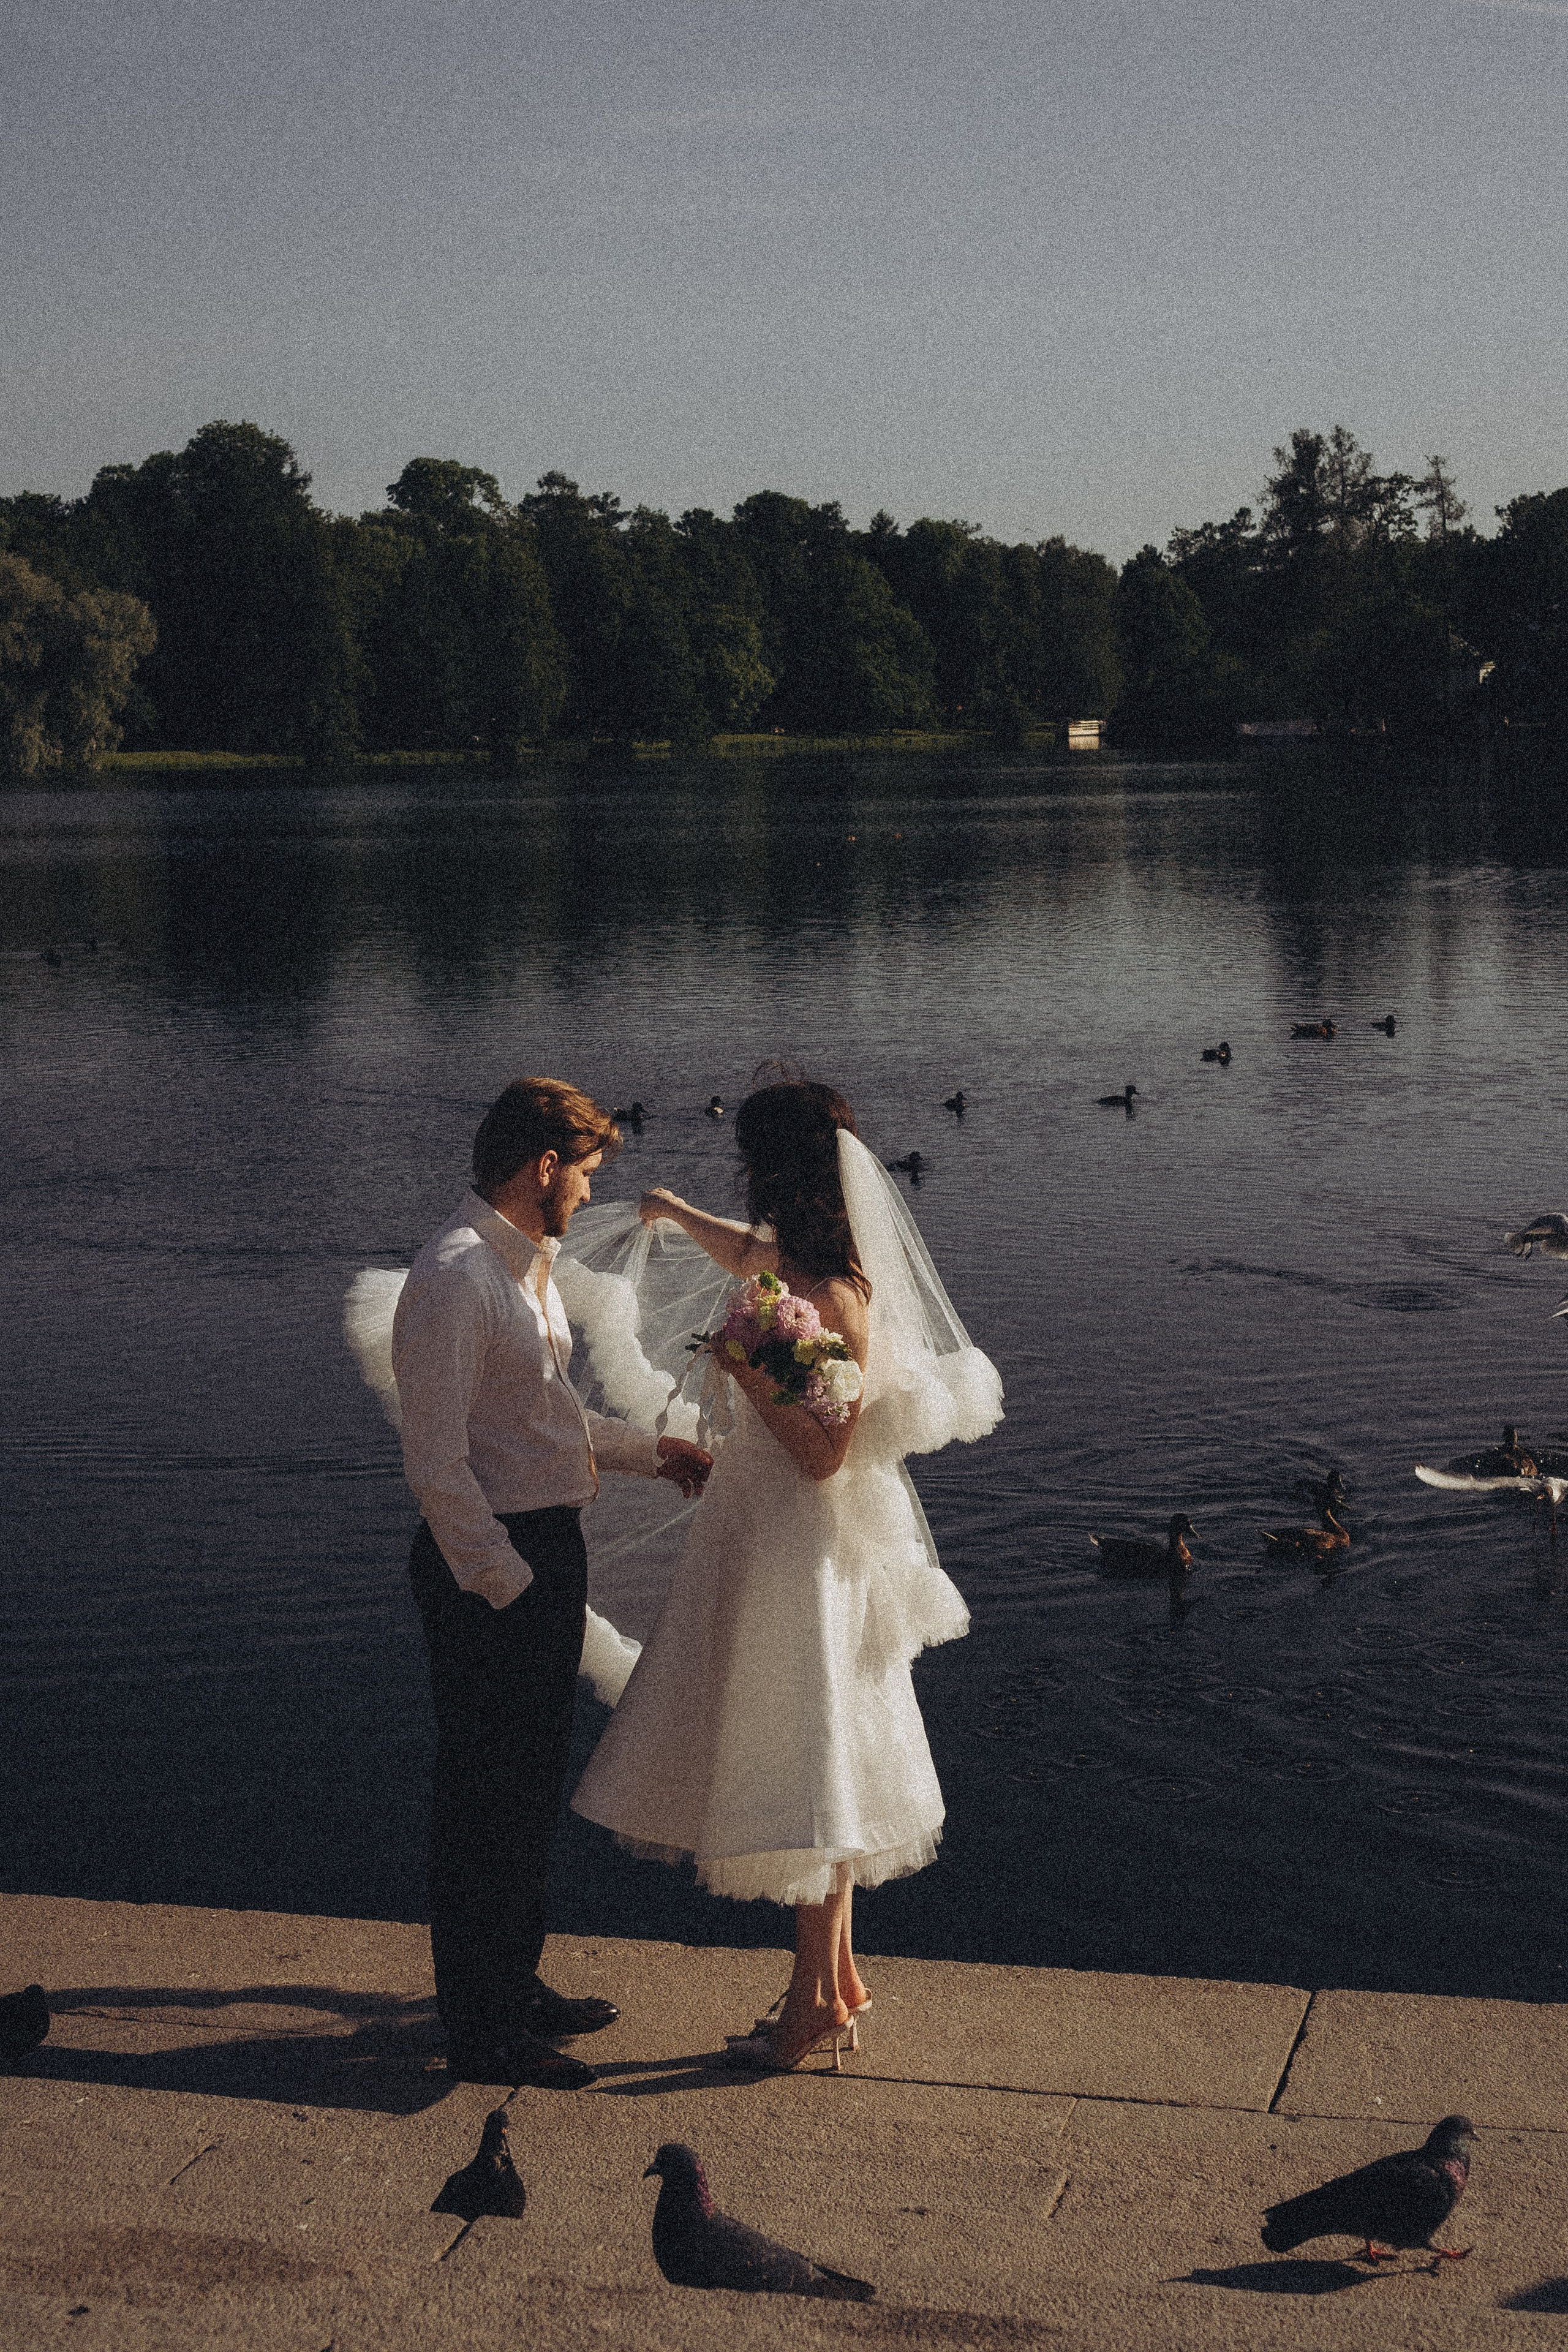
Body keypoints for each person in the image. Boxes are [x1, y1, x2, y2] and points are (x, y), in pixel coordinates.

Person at [570, 1079, 1002, 2071]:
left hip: (798, 1550)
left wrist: (748, 1369)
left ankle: (812, 2001)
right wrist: (679, 1219)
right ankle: (832, 1985)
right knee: (829, 1764)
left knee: (810, 1769)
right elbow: (749, 1256)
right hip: (772, 1535)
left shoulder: (829, 1298)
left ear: (778, 1169)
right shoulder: (806, 1269)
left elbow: (824, 1452)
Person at [393, 1077, 712, 2088]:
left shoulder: (522, 1269)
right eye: (582, 1171)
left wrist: (651, 1451)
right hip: (492, 1565)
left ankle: (513, 1988)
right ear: (542, 1167)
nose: (587, 1191)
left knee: (526, 1789)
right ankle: (480, 2030)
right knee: (483, 1796)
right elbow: (437, 1466)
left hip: (537, 1550)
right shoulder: (453, 1276)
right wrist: (508, 1584)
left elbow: (542, 1426)